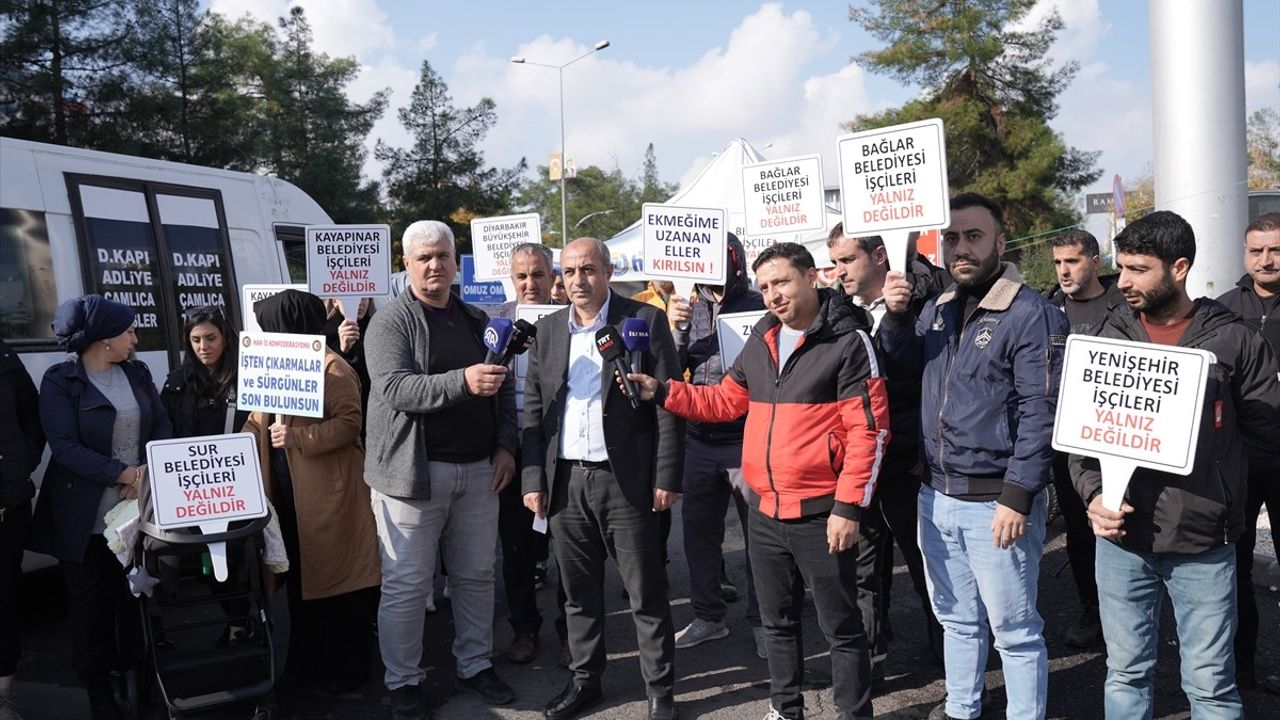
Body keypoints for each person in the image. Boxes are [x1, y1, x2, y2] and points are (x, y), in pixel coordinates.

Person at [632, 241, 890, 720]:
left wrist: (848, 508)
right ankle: (785, 709)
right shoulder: (762, 336)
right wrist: (663, 390)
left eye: (782, 282)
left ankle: (855, 713)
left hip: (823, 513)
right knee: (777, 623)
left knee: (841, 627)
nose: (773, 294)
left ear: (813, 277)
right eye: (765, 285)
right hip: (766, 512)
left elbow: (869, 433)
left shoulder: (849, 342)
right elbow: (724, 402)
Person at [1074, 211, 1280, 719]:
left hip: (1202, 543)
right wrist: (1094, 495)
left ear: (1180, 267)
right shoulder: (1106, 334)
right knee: (1124, 675)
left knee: (1210, 686)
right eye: (1120, 267)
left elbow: (1264, 442)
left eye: (1138, 269)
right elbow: (1081, 440)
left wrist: (1224, 502)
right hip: (1120, 541)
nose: (1122, 281)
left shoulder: (1234, 340)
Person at [879, 193, 1066, 720]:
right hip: (936, 496)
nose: (961, 248)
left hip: (995, 505)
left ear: (1000, 242)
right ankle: (962, 708)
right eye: (952, 238)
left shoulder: (1033, 314)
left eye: (974, 236)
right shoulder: (937, 308)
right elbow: (901, 371)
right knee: (957, 620)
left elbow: (1041, 412)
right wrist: (894, 318)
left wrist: (1018, 496)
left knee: (1015, 630)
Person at [521, 237, 683, 720]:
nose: (578, 281)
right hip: (566, 481)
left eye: (588, 270)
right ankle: (585, 681)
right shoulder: (548, 329)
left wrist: (666, 474)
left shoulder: (642, 321)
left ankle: (660, 692)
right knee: (576, 594)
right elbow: (534, 407)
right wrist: (534, 476)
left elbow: (669, 404)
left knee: (646, 593)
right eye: (568, 272)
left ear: (609, 272)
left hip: (626, 478)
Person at [364, 220, 518, 720]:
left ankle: (475, 665)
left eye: (442, 256)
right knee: (407, 586)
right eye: (423, 257)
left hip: (478, 471)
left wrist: (504, 447)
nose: (434, 265)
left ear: (456, 261)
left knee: (476, 576)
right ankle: (403, 682)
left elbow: (506, 391)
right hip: (412, 477)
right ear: (406, 264)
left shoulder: (478, 318)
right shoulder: (389, 322)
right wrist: (464, 382)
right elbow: (396, 388)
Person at [28, 294, 171, 719]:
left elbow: (161, 422)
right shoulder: (60, 381)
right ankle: (98, 689)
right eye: (128, 330)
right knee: (90, 604)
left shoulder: (138, 372)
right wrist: (122, 474)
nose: (134, 337)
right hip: (85, 518)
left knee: (134, 597)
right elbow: (64, 446)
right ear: (105, 338)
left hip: (136, 514)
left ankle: (136, 677)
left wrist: (146, 470)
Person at [241, 289, 381, 695]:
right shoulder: (272, 364)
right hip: (288, 496)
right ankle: (305, 665)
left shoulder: (332, 367)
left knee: (340, 586)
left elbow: (350, 424)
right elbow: (256, 420)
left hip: (329, 496)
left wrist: (300, 437)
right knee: (302, 584)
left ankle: (346, 670)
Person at [827, 224, 944, 670]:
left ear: (879, 256)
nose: (838, 272)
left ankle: (950, 656)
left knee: (927, 563)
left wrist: (896, 317)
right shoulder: (834, 311)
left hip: (912, 460)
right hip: (860, 464)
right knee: (864, 570)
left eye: (846, 261)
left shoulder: (930, 302)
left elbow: (911, 371)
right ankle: (872, 656)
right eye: (834, 262)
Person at [662, 233, 767, 658]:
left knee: (759, 537)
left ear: (737, 260)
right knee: (699, 537)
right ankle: (708, 617)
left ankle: (766, 623)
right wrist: (678, 329)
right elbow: (670, 366)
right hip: (699, 438)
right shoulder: (688, 307)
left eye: (724, 259)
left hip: (747, 438)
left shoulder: (761, 303)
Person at [1043, 229, 1126, 650]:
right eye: (1058, 263)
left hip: (1120, 437)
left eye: (1072, 261)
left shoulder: (1124, 304)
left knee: (1124, 526)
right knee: (1079, 530)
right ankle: (1092, 611)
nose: (1064, 271)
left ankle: (1132, 614)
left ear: (1094, 259)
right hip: (1067, 441)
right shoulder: (1046, 309)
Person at [489, 242, 563, 665]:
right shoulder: (493, 321)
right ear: (511, 278)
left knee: (569, 548)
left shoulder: (572, 319)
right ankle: (524, 628)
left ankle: (572, 631)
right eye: (522, 276)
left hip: (559, 451)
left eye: (538, 275)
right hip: (511, 450)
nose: (530, 284)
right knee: (516, 548)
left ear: (552, 276)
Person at [1215, 211, 1280, 695]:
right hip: (1240, 463)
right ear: (1244, 254)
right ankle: (1240, 670)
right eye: (1257, 250)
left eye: (1276, 250)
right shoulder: (1223, 309)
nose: (1267, 259)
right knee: (1233, 570)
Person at [0, 338, 45, 720]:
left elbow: (33, 415)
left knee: (4, 603)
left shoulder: (4, 355)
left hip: (7, 506)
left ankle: (3, 699)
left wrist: (22, 463)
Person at [161, 305, 244, 438]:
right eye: (196, 340)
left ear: (226, 339)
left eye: (211, 338)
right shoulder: (175, 385)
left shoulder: (246, 381)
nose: (203, 347)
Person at [323, 297, 375, 433]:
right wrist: (342, 351)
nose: (359, 302)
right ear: (335, 301)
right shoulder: (324, 332)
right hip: (342, 418)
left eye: (365, 297)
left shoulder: (378, 327)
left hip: (372, 412)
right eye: (351, 298)